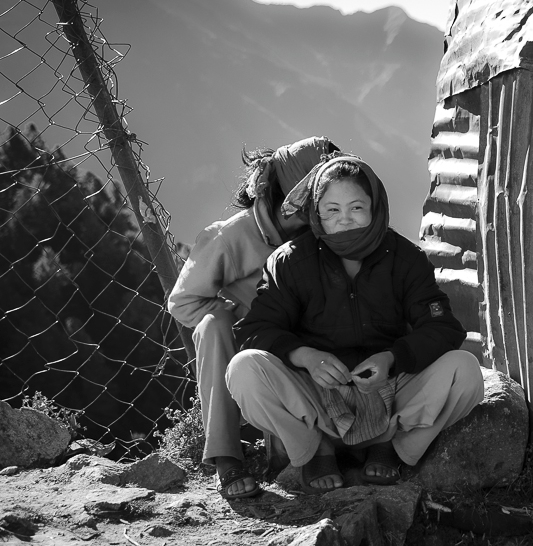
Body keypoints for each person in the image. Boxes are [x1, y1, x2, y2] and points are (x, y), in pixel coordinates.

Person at [225, 155, 484, 494]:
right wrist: (306, 357)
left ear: (375, 208)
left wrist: (391, 359)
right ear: (316, 215)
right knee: (244, 369)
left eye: (356, 208)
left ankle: (389, 443)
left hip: (387, 392)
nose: (344, 220)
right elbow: (254, 329)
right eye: (332, 210)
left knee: (464, 370)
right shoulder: (291, 261)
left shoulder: (405, 258)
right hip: (316, 398)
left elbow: (443, 328)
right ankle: (317, 448)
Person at [167, 136, 339, 499]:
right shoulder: (230, 237)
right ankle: (226, 456)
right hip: (252, 340)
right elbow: (183, 303)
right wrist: (241, 319)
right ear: (289, 193)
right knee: (213, 329)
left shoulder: (323, 231)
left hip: (305, 339)